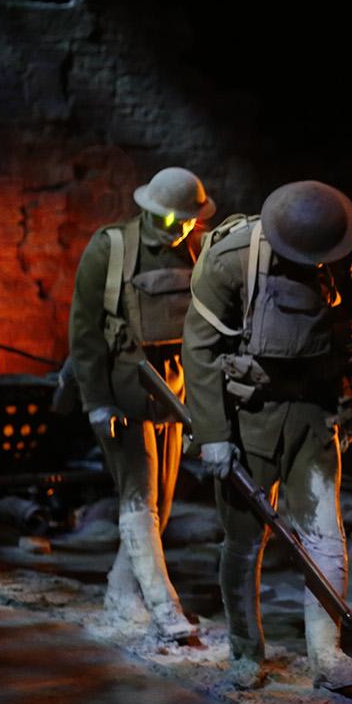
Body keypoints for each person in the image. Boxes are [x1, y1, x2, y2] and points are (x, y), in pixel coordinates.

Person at [182, 180, 352, 691]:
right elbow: (199, 349)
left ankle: (327, 653)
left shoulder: (343, 249)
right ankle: (246, 653)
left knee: (325, 535)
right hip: (251, 413)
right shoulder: (230, 258)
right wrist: (214, 434)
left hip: (315, 409)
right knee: (244, 541)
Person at [68, 167, 213, 642]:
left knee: (162, 503)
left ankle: (121, 593)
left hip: (172, 394)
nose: (183, 227)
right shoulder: (110, 249)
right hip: (123, 391)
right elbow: (85, 335)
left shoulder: (198, 250)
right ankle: (164, 607)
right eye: (175, 219)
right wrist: (96, 403)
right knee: (139, 496)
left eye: (190, 220)